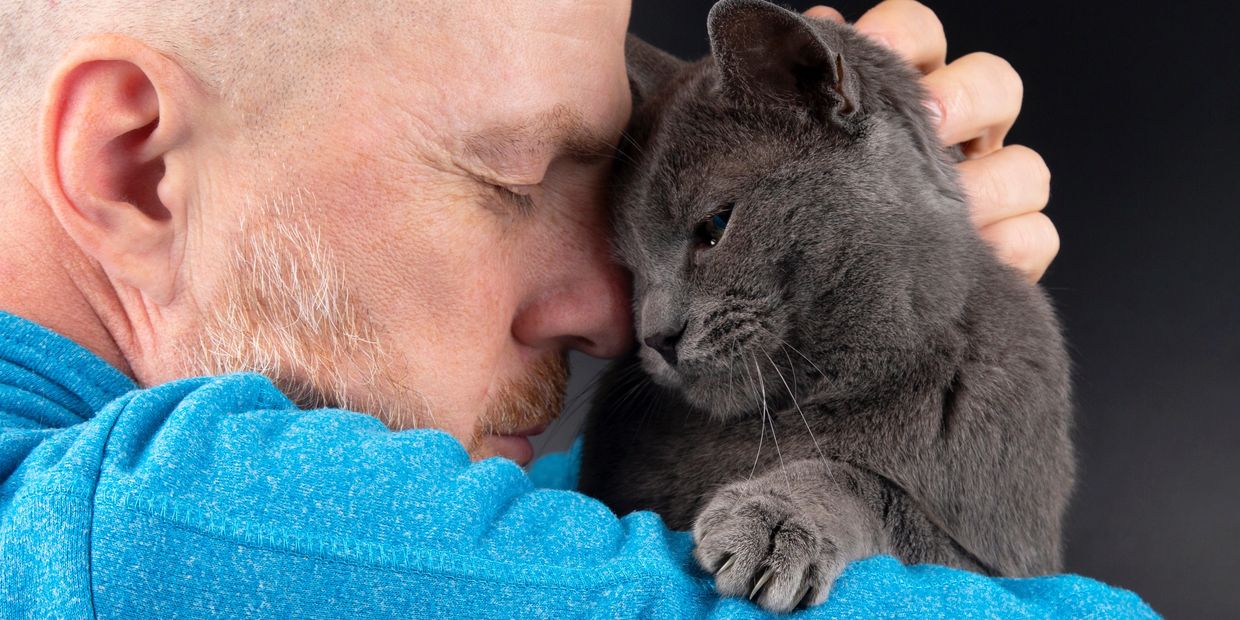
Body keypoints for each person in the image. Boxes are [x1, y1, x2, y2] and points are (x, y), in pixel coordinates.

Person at [0, 0, 1153, 617]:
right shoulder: (158, 528)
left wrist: (871, 287)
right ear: (135, 165)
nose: (611, 312)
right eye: (508, 176)